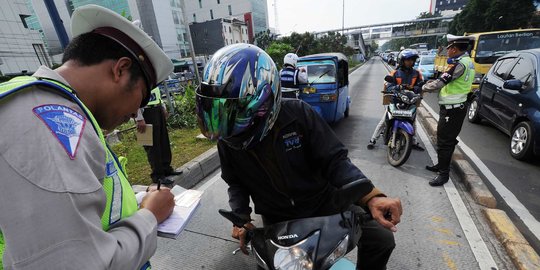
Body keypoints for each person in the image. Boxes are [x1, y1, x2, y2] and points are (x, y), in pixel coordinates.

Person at [195, 43, 402, 270]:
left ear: (266, 101)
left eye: (240, 115)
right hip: (278, 218)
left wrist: (371, 197)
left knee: (382, 238)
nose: (232, 128)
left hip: (324, 204)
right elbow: (235, 183)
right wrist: (241, 218)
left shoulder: (298, 114)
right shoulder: (227, 139)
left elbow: (335, 160)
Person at [0, 5, 175, 269]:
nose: (133, 114)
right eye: (142, 96)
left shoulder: (54, 109)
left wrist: (137, 197)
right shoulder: (48, 123)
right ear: (120, 70)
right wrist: (150, 215)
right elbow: (80, 262)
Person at [422, 34, 475, 186]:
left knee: (445, 142)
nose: (448, 50)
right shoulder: (467, 62)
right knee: (445, 140)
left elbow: (441, 82)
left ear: (455, 48)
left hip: (453, 110)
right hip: (454, 108)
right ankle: (441, 165)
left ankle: (443, 174)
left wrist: (423, 87)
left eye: (449, 47)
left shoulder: (459, 64)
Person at [367, 49, 425, 151]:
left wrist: (418, 88)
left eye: (412, 60)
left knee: (413, 121)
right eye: (407, 60)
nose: (410, 62)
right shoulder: (395, 73)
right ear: (402, 61)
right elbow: (388, 85)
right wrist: (396, 87)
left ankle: (414, 141)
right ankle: (373, 139)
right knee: (384, 120)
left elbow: (421, 85)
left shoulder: (417, 74)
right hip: (396, 100)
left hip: (410, 101)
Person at [135, 85, 182, 186]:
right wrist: (139, 118)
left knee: (163, 141)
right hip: (146, 112)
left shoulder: (153, 78)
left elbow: (157, 94)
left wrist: (163, 107)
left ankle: (166, 169)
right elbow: (135, 98)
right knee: (152, 146)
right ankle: (158, 175)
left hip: (157, 108)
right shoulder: (140, 78)